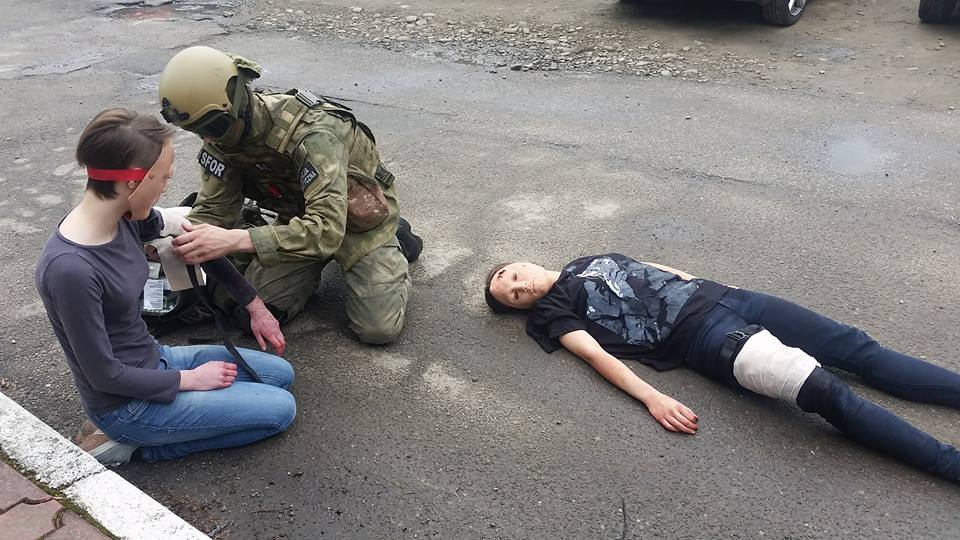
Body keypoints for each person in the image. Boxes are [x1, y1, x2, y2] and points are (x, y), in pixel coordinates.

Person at [484, 253, 960, 482]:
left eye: (512, 276)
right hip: (707, 340)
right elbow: (595, 355)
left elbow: (654, 267)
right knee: (826, 392)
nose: (520, 288)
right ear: (523, 309)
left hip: (731, 298)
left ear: (524, 261)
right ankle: (948, 464)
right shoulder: (553, 313)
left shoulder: (587, 259)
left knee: (859, 350)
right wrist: (653, 397)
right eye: (514, 297)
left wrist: (707, 282)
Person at [35, 108, 296, 465]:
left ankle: (175, 419)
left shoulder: (122, 216)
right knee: (281, 410)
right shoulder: (70, 271)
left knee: (279, 375)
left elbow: (193, 239)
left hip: (154, 358)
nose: (165, 188)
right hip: (126, 405)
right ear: (135, 181)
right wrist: (190, 380)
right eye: (164, 178)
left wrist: (255, 306)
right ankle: (135, 446)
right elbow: (104, 375)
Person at [157, 46, 423, 344]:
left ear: (239, 102)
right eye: (196, 131)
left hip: (356, 220)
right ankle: (307, 272)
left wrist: (235, 240)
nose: (207, 138)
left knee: (377, 330)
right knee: (246, 311)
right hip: (297, 222)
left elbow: (327, 231)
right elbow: (215, 209)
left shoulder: (314, 134)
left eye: (213, 126)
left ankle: (395, 238)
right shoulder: (221, 140)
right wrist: (174, 241)